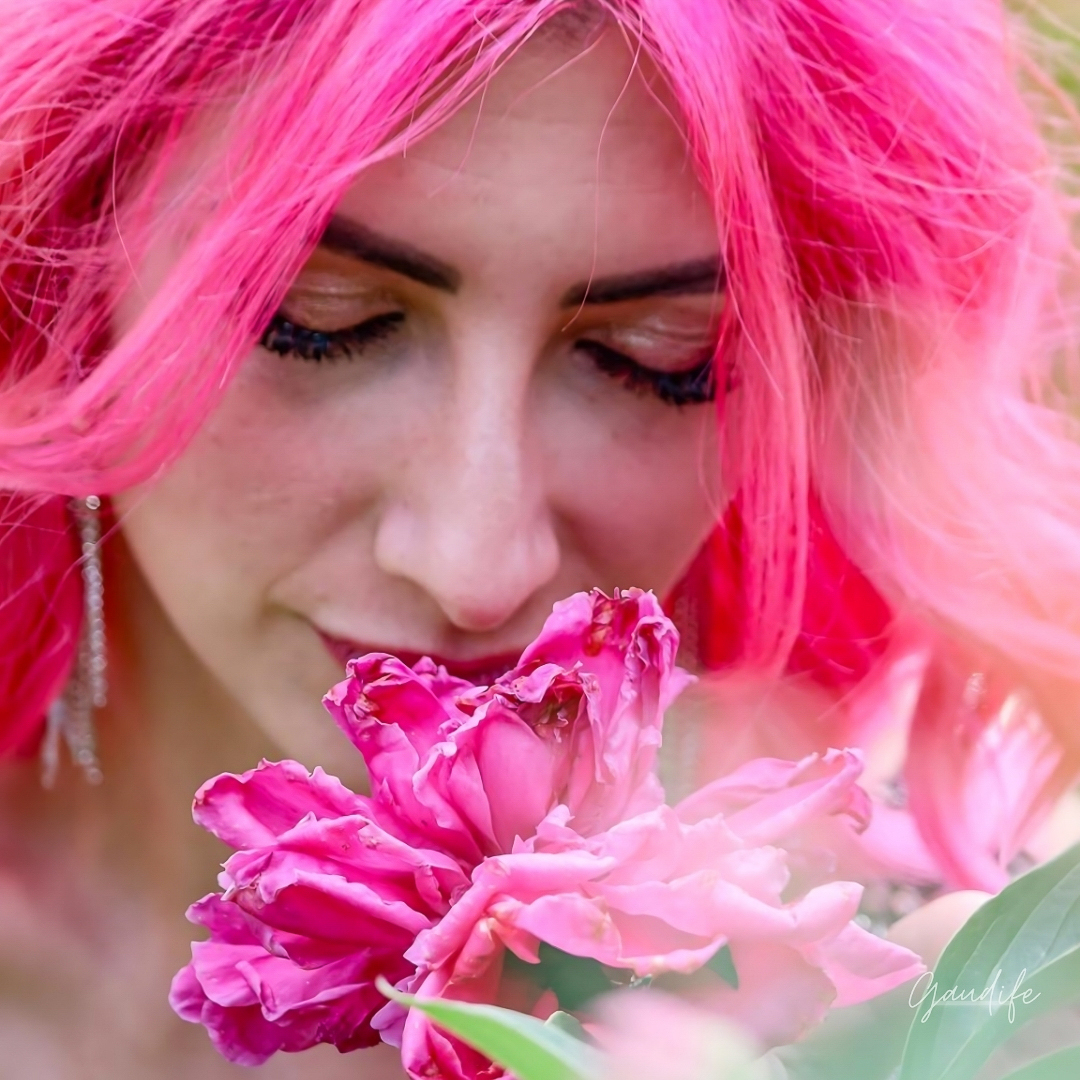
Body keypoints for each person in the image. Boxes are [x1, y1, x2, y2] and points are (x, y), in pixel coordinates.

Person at [0, 1, 1078, 1077]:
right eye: (315, 318)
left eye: (658, 357)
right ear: (61, 291)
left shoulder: (936, 985)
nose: (476, 569)